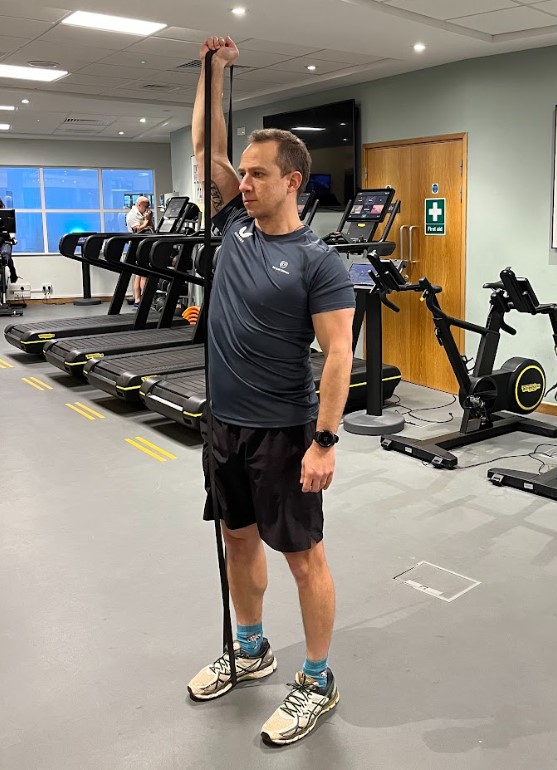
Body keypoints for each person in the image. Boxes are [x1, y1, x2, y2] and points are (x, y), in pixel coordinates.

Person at [187, 35, 356, 746]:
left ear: (293, 181)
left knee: (302, 556)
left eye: (256, 174)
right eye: (242, 174)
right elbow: (204, 149)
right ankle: (251, 648)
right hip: (224, 423)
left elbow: (340, 355)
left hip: (284, 432)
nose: (241, 182)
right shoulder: (233, 226)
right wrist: (213, 72)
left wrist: (323, 441)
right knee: (236, 538)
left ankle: (316, 679)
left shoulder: (318, 263)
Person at [125, 196, 153, 309]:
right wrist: (146, 221)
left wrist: (148, 218)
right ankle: (140, 299)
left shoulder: (143, 214)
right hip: (138, 246)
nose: (147, 209)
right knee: (143, 274)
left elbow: (151, 227)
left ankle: (138, 300)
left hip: (144, 245)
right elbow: (138, 230)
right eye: (146, 206)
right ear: (139, 205)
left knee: (139, 274)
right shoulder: (132, 215)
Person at [0, 198, 18, 283]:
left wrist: (12, 237)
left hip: (5, 241)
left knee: (5, 254)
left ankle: (12, 271)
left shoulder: (5, 215)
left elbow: (10, 230)